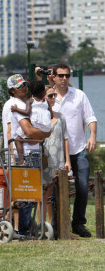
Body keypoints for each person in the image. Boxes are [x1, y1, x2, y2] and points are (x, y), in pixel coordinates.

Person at [52, 63, 97, 238]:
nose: (64, 79)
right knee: (55, 189)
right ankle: (56, 224)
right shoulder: (49, 96)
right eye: (61, 76)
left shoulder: (79, 95)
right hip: (56, 151)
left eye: (67, 76)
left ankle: (78, 224)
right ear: (54, 77)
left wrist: (92, 136)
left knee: (84, 187)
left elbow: (90, 117)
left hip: (78, 149)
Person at [6, 74, 51, 235]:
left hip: (33, 151)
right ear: (12, 90)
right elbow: (29, 131)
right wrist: (46, 134)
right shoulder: (15, 104)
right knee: (27, 193)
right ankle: (24, 229)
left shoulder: (27, 103)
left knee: (31, 192)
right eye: (19, 86)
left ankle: (26, 227)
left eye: (25, 85)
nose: (24, 88)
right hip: (27, 153)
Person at [41, 86, 71, 229]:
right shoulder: (40, 116)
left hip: (58, 160)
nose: (53, 98)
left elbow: (65, 139)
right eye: (50, 96)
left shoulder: (61, 117)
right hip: (46, 161)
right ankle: (44, 225)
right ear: (43, 98)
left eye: (54, 95)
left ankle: (57, 224)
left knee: (59, 195)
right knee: (45, 194)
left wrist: (67, 160)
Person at [11, 80, 51, 165]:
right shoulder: (46, 102)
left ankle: (21, 160)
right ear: (44, 92)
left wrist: (16, 109)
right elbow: (50, 114)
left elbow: (27, 112)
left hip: (35, 124)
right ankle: (42, 151)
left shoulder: (30, 101)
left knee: (18, 139)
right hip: (46, 126)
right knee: (39, 138)